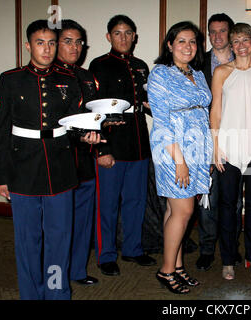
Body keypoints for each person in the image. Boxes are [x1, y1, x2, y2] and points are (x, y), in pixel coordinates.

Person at [0, 19, 100, 299]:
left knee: (59, 239)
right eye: (41, 43)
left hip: (61, 169)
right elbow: (0, 132)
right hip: (22, 170)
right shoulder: (10, 80)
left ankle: (55, 291)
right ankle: (31, 294)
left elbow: (73, 127)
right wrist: (0, 176)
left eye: (52, 43)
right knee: (27, 241)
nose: (47, 49)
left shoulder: (68, 79)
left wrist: (86, 136)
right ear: (28, 45)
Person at [88, 15, 155, 277]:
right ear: (109, 37)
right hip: (111, 144)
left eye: (128, 33)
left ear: (135, 36)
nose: (124, 38)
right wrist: (101, 150)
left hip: (138, 142)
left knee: (136, 201)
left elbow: (147, 103)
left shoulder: (140, 66)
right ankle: (105, 255)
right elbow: (92, 109)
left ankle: (133, 248)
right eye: (118, 33)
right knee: (107, 205)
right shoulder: (99, 65)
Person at [148, 21, 211, 294]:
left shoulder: (197, 73)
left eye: (193, 41)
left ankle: (176, 264)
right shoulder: (160, 74)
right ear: (170, 45)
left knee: (176, 211)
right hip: (173, 148)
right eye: (181, 41)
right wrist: (179, 160)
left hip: (196, 147)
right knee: (184, 211)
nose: (188, 46)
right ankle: (166, 270)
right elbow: (161, 121)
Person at [210, 23, 251, 280]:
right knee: (227, 205)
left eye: (245, 40)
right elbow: (215, 110)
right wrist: (216, 147)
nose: (240, 45)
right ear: (231, 44)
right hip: (229, 148)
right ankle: (228, 260)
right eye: (235, 40)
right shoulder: (221, 72)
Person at [195, 13, 242, 272]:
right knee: (208, 197)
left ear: (231, 33)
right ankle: (206, 248)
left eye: (222, 31)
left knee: (233, 200)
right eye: (212, 32)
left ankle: (230, 247)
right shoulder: (198, 60)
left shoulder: (243, 61)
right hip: (205, 137)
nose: (217, 36)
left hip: (236, 138)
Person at [54, 20, 99, 286]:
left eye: (79, 42)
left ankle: (77, 272)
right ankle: (56, 276)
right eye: (68, 41)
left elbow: (94, 116)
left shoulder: (87, 77)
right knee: (59, 226)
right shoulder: (47, 76)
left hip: (84, 159)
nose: (75, 47)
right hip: (57, 161)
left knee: (82, 222)